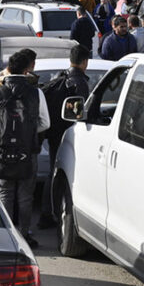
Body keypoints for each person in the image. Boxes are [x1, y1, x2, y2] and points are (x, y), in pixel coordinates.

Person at [0, 51, 50, 249]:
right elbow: (45, 123)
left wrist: (4, 136)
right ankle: (24, 236)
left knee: (5, 192)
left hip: (3, 152)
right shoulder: (35, 92)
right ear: (27, 68)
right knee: (25, 195)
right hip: (27, 152)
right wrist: (27, 134)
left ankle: (6, 235)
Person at [38, 44, 91, 229]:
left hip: (54, 133)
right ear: (85, 62)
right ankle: (51, 213)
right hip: (69, 136)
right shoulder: (80, 83)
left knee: (53, 172)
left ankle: (47, 212)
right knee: (64, 175)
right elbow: (81, 115)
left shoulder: (61, 77)